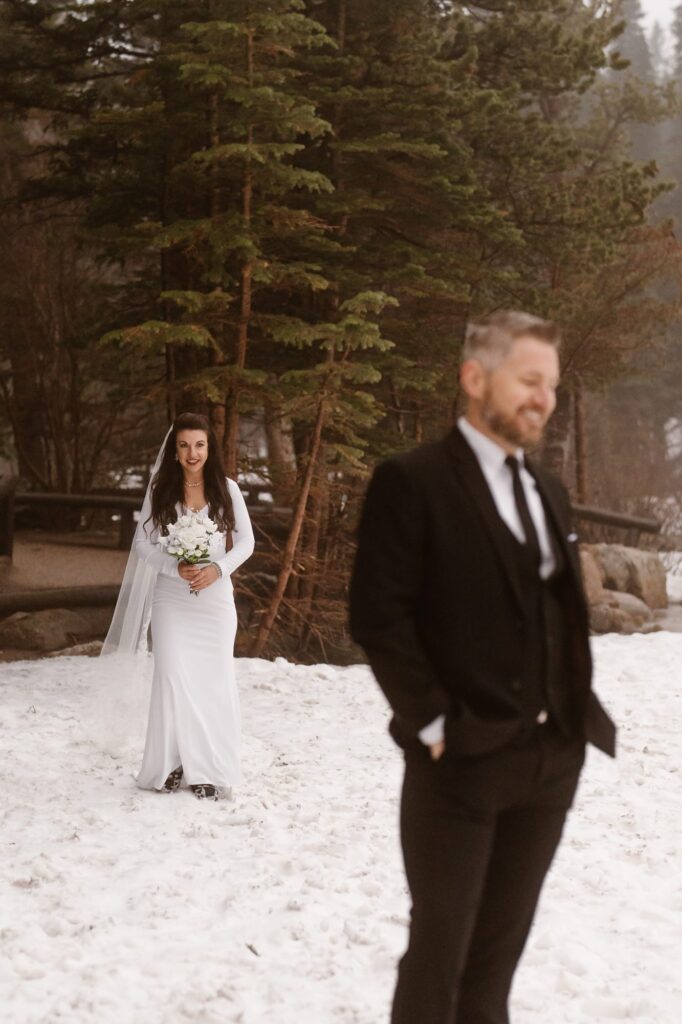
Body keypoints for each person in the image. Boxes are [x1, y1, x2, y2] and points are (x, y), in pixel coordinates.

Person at [349, 311, 616, 1024]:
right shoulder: (412, 481)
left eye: (552, 385)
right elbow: (379, 617)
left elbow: (558, 616)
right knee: (440, 963)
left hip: (549, 764)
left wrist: (572, 723)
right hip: (459, 766)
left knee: (494, 970)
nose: (544, 399)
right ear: (475, 378)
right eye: (529, 380)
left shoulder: (548, 491)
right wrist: (435, 721)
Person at [103, 412, 254, 800]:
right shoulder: (160, 489)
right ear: (174, 450)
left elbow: (247, 543)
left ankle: (205, 768)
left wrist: (218, 570)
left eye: (199, 445)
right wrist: (175, 567)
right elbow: (142, 545)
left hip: (215, 604)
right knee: (171, 678)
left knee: (210, 682)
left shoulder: (228, 489)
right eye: (185, 445)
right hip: (171, 600)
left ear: (210, 448)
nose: (192, 453)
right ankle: (169, 763)